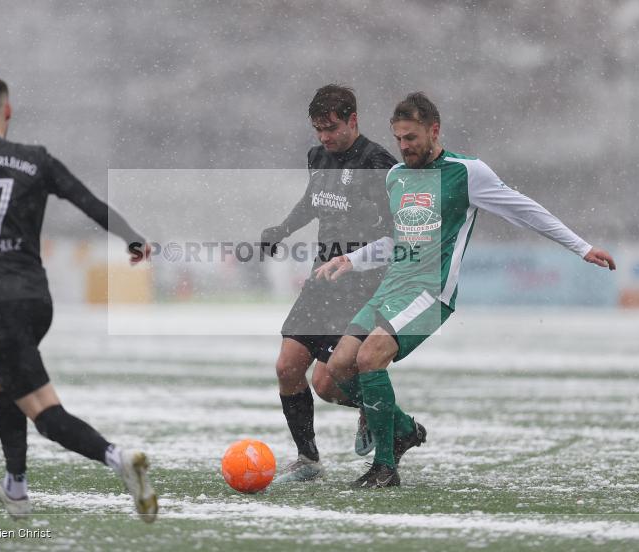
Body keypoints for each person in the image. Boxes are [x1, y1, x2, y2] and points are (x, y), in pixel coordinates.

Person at [316, 92, 616, 488]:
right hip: (390, 288)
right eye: (398, 139)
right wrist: (352, 260)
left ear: (434, 130)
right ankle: (402, 428)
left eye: (411, 138)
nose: (404, 147)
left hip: (430, 292)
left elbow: (524, 209)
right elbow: (398, 239)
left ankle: (385, 468)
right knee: (337, 369)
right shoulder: (395, 177)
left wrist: (581, 247)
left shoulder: (467, 172)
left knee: (370, 358)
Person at [0, 75, 158, 521]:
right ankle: (17, 488)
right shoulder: (35, 159)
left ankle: (119, 459)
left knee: (43, 410)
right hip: (35, 300)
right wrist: (132, 238)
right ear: (7, 111)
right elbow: (88, 202)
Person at [260, 85, 397, 483]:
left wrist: (359, 260)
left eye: (331, 128)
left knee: (327, 384)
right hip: (321, 279)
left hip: (360, 285)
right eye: (318, 129)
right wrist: (283, 229)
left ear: (353, 120)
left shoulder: (378, 163)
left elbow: (396, 231)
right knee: (287, 367)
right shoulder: (317, 157)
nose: (324, 137)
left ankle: (385, 415)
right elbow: (312, 201)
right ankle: (308, 460)